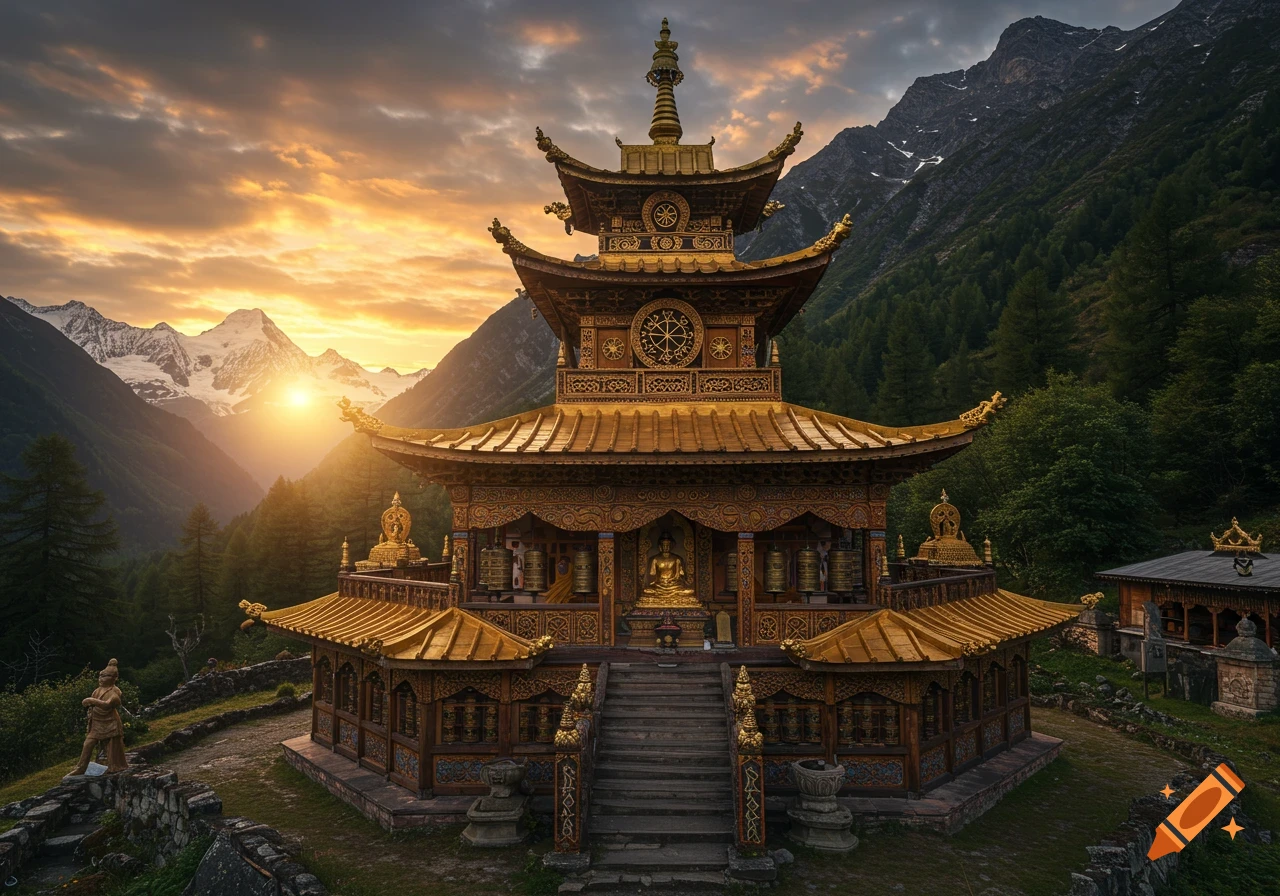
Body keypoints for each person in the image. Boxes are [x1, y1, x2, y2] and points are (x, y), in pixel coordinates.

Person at [69, 658, 128, 775]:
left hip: (110, 723)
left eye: (104, 676)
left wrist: (92, 701)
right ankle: (81, 768)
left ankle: (114, 766)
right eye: (100, 676)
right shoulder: (97, 691)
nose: (101, 679)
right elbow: (90, 705)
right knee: (88, 743)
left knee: (111, 748)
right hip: (97, 723)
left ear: (114, 678)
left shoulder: (115, 692)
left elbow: (107, 705)